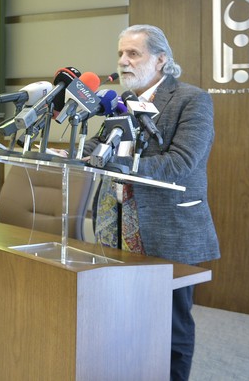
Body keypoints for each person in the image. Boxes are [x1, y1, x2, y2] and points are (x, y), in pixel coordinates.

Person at [85, 24, 220, 381]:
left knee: (171, 326)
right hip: (114, 228)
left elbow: (181, 163)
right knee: (123, 319)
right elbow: (98, 149)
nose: (123, 61)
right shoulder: (121, 102)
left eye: (133, 54)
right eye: (120, 54)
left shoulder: (192, 99)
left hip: (167, 230)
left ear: (161, 59)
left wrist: (121, 165)